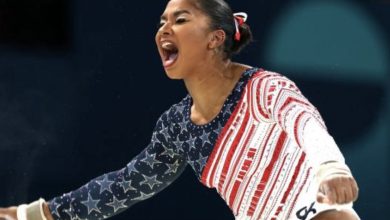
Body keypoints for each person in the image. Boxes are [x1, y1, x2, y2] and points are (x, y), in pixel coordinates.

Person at [0, 0, 359, 219]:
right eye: (161, 21)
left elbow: (306, 125)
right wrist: (34, 214)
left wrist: (331, 167)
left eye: (180, 19)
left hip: (319, 211)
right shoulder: (177, 127)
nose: (163, 29)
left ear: (216, 38)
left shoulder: (263, 88)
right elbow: (122, 186)